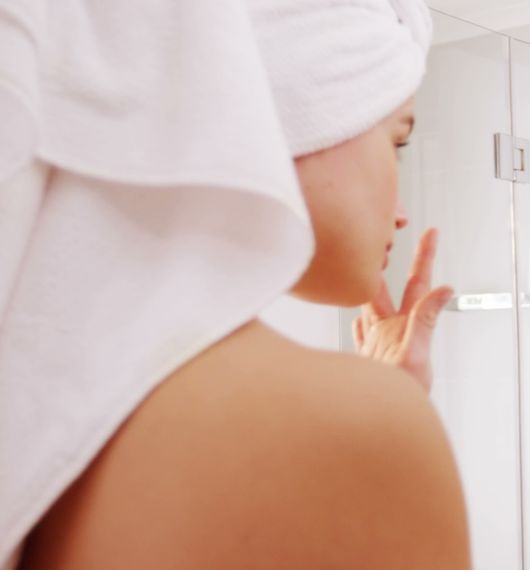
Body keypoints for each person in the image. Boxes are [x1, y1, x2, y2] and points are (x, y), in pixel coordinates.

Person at [0, 0, 470, 567]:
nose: (401, 213)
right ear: (301, 108)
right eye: (398, 142)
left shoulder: (32, 389)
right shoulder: (348, 431)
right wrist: (384, 416)